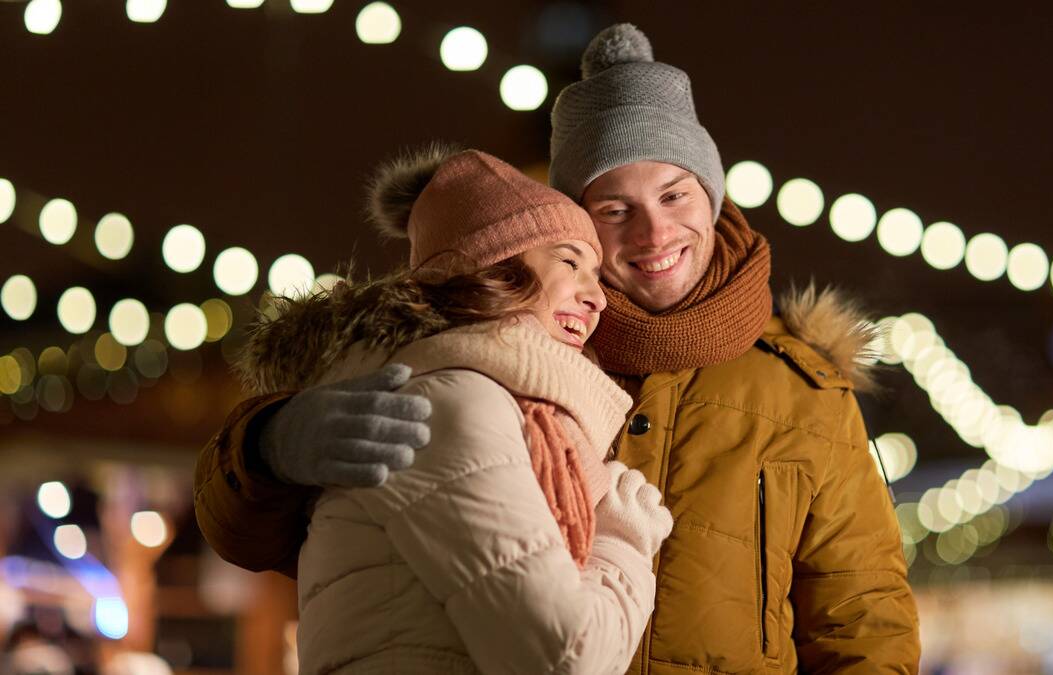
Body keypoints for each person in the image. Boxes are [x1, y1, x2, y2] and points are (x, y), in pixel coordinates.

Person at [195, 24, 920, 674]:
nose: (653, 233)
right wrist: (268, 447)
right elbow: (262, 537)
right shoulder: (493, 348)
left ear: (712, 195)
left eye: (674, 195)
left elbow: (864, 622)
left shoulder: (804, 390)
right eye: (614, 208)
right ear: (566, 225)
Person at [236, 147, 673, 674]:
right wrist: (623, 539)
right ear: (494, 265)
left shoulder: (491, 399)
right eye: (569, 261)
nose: (596, 297)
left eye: (596, 273)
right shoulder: (449, 403)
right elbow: (562, 659)